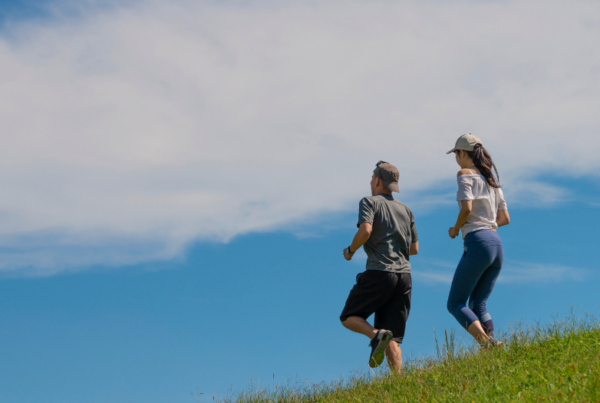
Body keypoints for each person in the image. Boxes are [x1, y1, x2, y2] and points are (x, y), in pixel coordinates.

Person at [340, 161, 419, 372]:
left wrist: (350, 251)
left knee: (348, 317)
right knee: (393, 335)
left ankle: (376, 336)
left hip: (380, 273)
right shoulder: (406, 210)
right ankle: (399, 382)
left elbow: (365, 231)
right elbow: (414, 248)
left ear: (376, 180)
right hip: (404, 277)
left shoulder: (369, 202)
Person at [446, 134, 510, 348]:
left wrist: (456, 228)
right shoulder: (492, 181)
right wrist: (488, 226)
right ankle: (494, 345)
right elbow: (504, 219)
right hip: (497, 245)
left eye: (456, 153)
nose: (456, 158)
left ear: (463, 153)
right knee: (478, 303)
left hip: (478, 242)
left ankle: (487, 344)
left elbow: (466, 208)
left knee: (455, 303)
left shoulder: (465, 174)